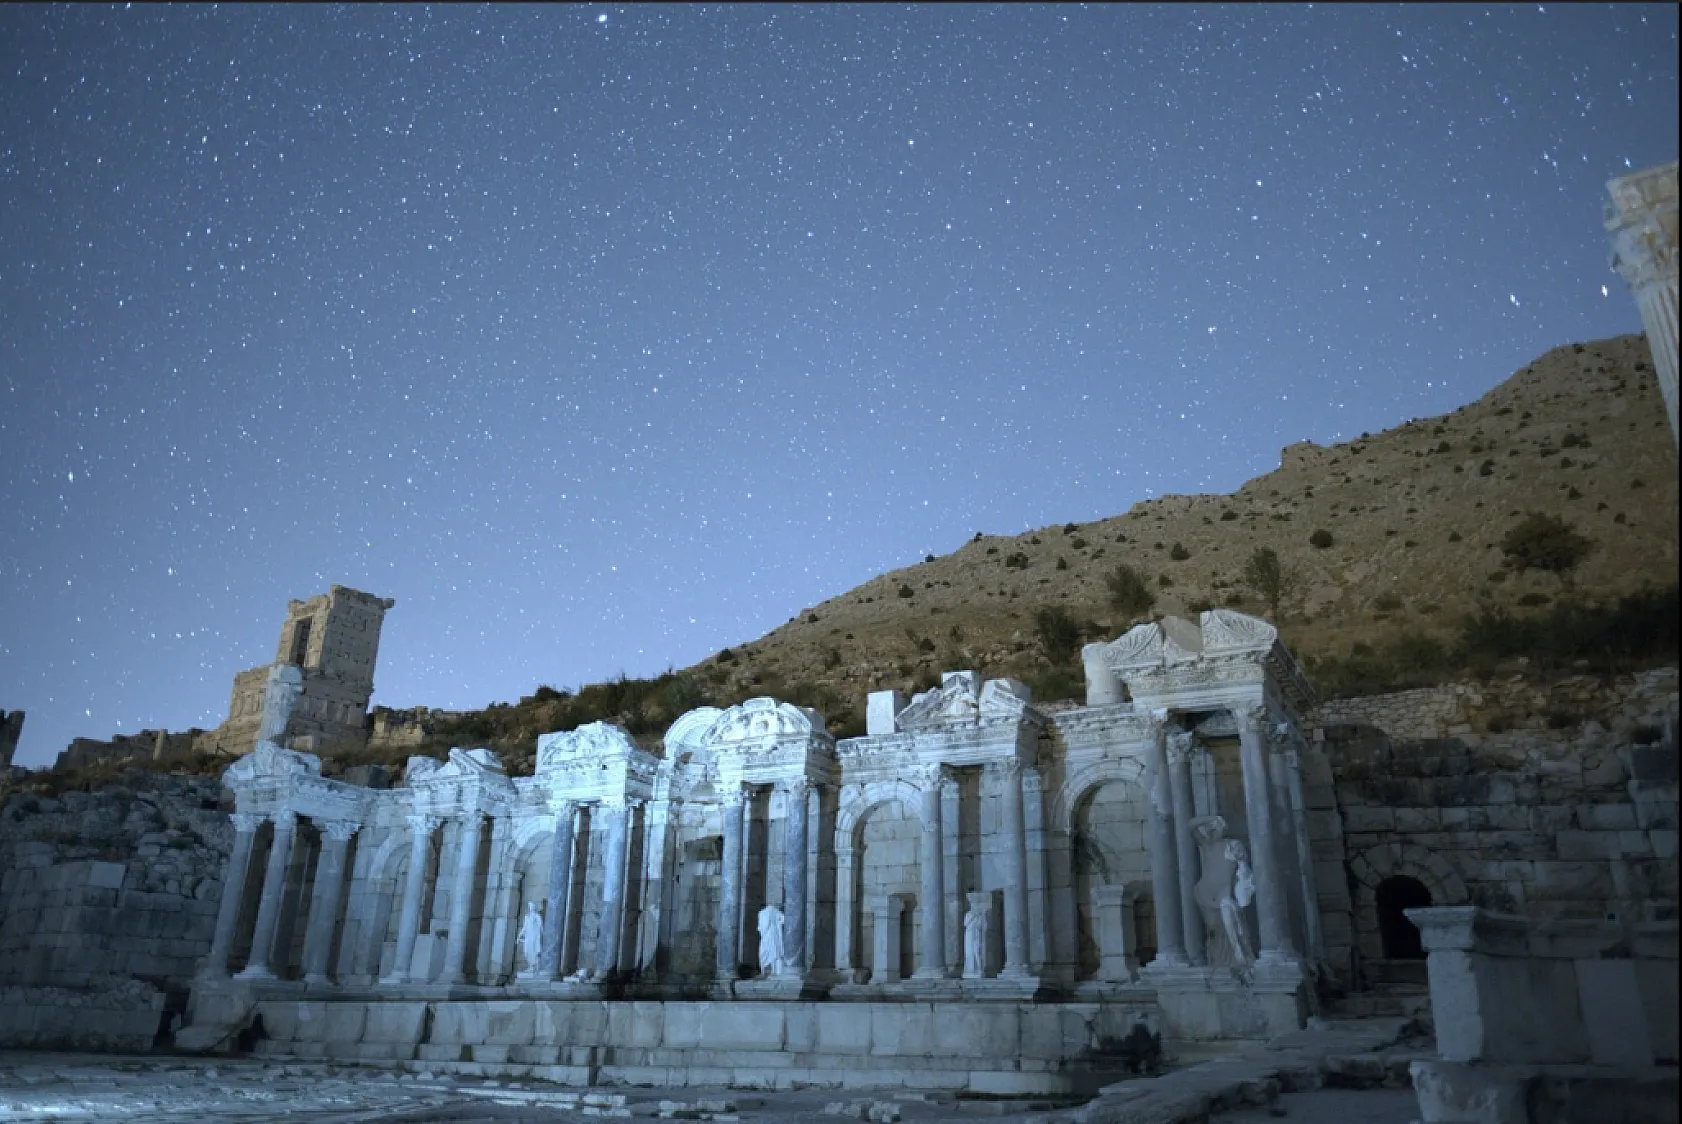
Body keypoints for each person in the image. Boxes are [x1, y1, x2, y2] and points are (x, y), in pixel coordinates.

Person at [757, 903, 787, 977]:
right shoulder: (776, 911)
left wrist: (760, 930)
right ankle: (777, 971)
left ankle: (767, 972)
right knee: (776, 952)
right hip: (776, 934)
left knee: (765, 952)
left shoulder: (763, 913)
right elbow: (783, 920)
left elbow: (764, 925)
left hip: (767, 935)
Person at [518, 900, 544, 972]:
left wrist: (542, 936)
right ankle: (531, 965)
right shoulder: (527, 916)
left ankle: (534, 966)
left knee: (534, 951)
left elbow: (540, 926)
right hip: (528, 936)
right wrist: (519, 936)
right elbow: (524, 927)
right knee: (526, 951)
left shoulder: (537, 916)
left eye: (532, 905)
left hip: (534, 936)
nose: (531, 907)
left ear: (534, 907)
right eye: (529, 906)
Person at [963, 904, 987, 977]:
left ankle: (978, 968)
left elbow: (981, 926)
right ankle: (970, 969)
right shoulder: (968, 914)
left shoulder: (979, 916)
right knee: (969, 952)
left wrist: (978, 917)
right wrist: (973, 916)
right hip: (969, 933)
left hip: (976, 934)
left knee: (976, 951)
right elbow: (965, 923)